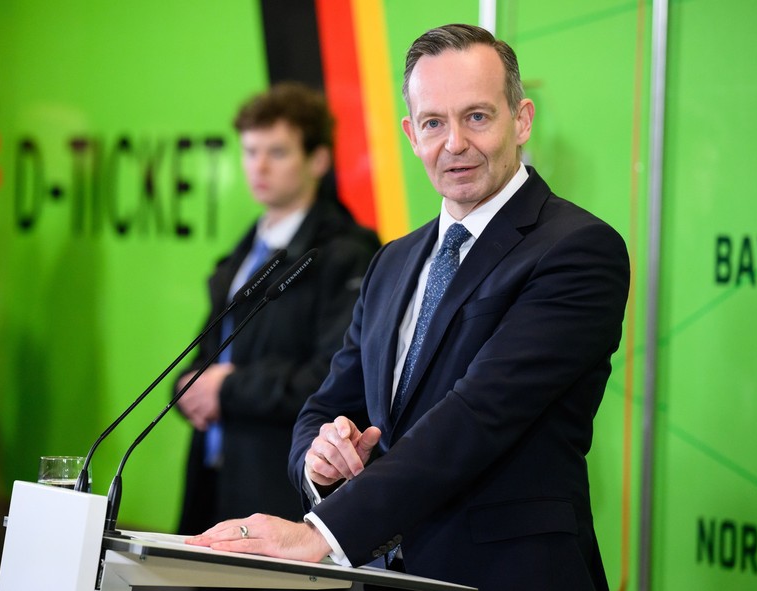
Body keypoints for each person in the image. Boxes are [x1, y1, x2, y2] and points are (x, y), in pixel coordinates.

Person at [186, 24, 630, 591]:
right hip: (385, 577)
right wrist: (320, 462)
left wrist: (323, 531)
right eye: (433, 123)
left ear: (521, 120)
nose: (454, 144)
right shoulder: (393, 260)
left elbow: (479, 415)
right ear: (410, 134)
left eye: (476, 116)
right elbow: (326, 402)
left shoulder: (577, 249)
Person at [174, 82, 381, 535]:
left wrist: (227, 389)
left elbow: (334, 379)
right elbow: (213, 353)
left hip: (277, 493)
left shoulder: (346, 253)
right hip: (214, 479)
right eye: (250, 151)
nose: (259, 166)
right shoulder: (241, 253)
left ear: (318, 160)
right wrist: (188, 385)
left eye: (278, 152)